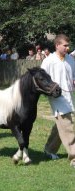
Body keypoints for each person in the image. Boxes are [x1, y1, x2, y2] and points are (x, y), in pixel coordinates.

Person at [41, 34, 75, 168]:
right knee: (67, 124)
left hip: (69, 96)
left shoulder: (71, 60)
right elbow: (41, 79)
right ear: (57, 45)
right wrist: (50, 90)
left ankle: (49, 149)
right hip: (56, 97)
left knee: (60, 125)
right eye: (65, 45)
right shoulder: (48, 61)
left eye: (68, 45)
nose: (67, 48)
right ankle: (73, 157)